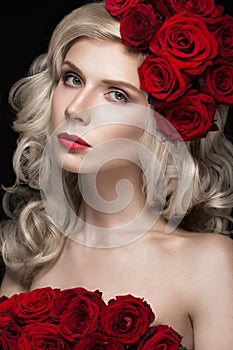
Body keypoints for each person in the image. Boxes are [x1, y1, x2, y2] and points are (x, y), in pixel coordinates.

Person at [0, 0, 232, 349]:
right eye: (73, 78)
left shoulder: (208, 264)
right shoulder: (35, 251)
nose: (76, 108)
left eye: (117, 95)